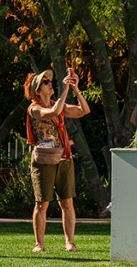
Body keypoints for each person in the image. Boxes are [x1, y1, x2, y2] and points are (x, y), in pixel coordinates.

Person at [24, 64, 91, 254]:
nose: (50, 84)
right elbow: (52, 113)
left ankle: (69, 242)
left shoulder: (58, 104)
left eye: (50, 81)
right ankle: (39, 244)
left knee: (67, 201)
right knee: (42, 203)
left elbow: (83, 110)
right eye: (46, 82)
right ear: (37, 90)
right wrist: (64, 90)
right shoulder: (34, 108)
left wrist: (76, 89)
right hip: (44, 159)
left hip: (63, 157)